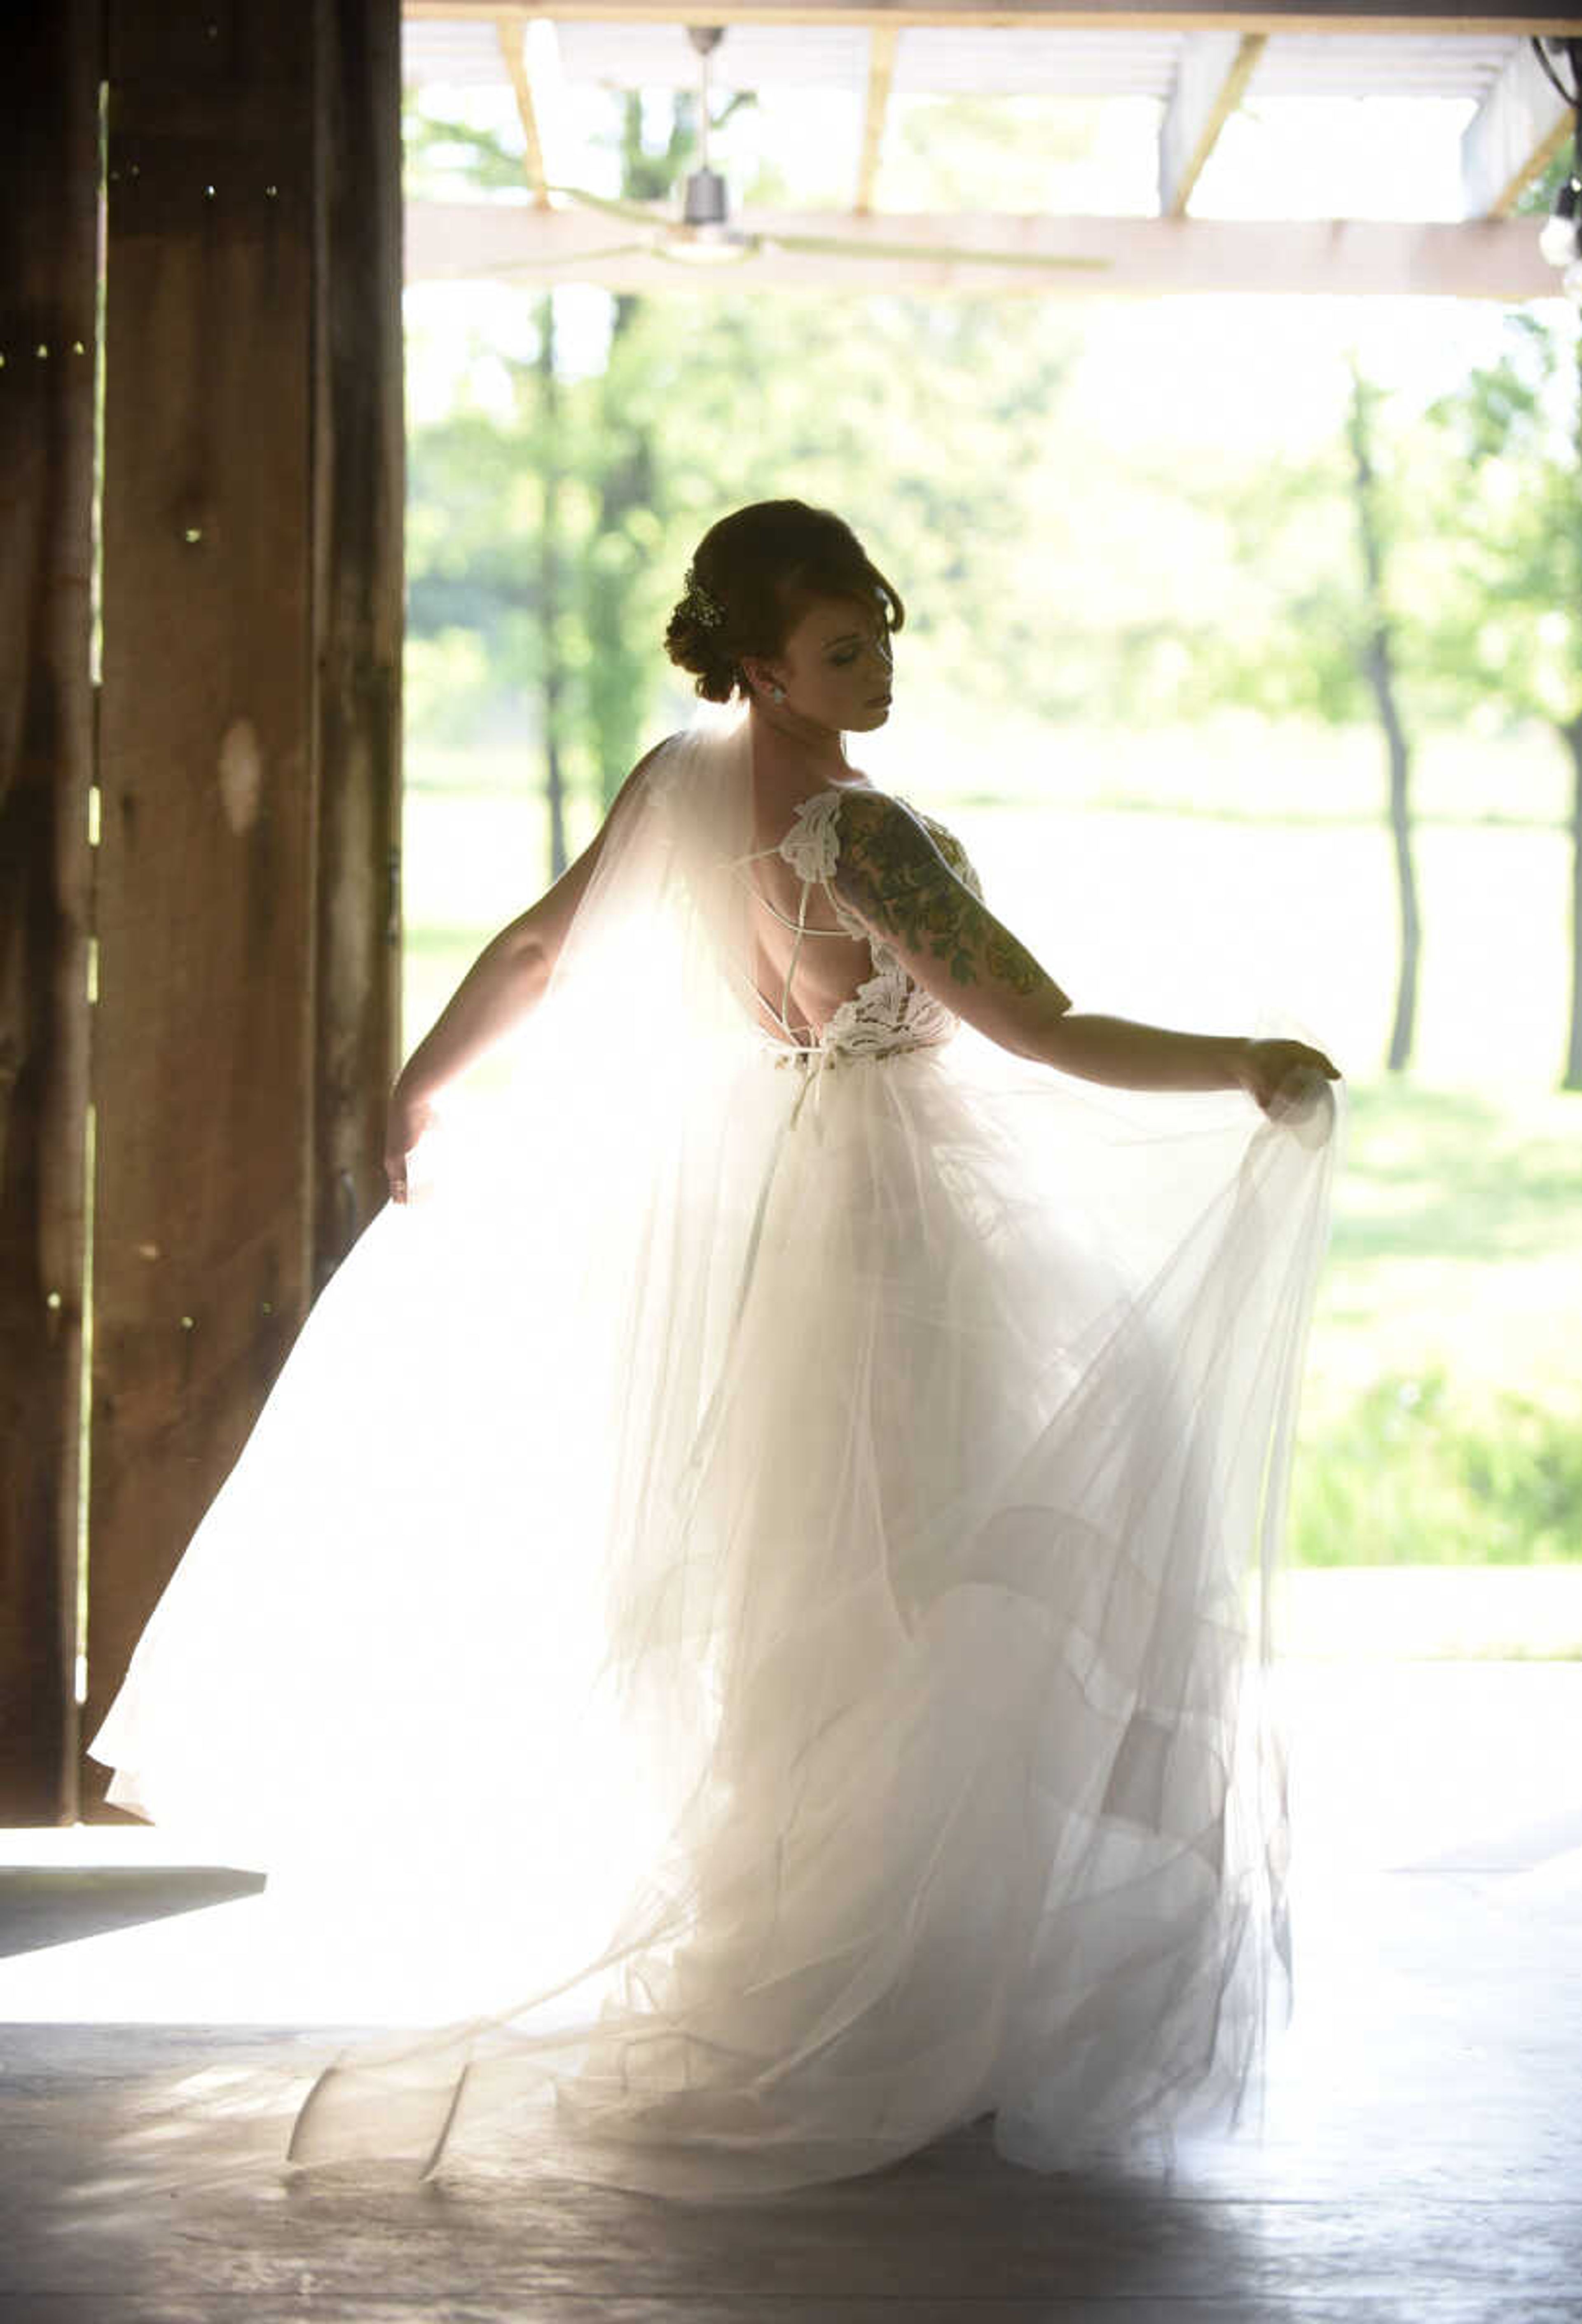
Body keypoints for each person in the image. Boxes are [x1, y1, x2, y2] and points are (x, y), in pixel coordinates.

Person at [88, 498, 1341, 2202]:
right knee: (946, 1601)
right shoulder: (860, 835)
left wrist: (428, 1086)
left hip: (785, 1232)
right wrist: (1242, 1057)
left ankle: (830, 1972)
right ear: (760, 658)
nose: (877, 664)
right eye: (842, 645)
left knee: (817, 1612)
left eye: (884, 631)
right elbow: (1041, 1029)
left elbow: (537, 948)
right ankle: (896, 1996)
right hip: (911, 1243)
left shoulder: (675, 788)